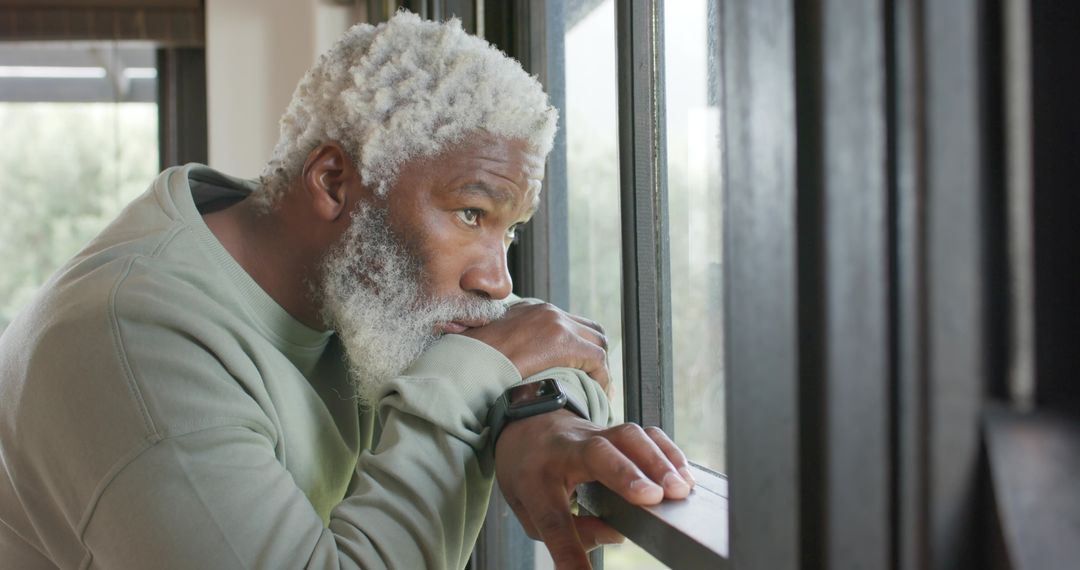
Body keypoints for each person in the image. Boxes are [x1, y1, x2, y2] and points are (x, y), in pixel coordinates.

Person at [0, 12, 693, 570]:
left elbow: (546, 344)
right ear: (334, 182)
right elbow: (494, 355)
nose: (497, 279)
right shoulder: (131, 342)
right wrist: (472, 382)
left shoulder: (357, 287)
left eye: (507, 231)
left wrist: (538, 415)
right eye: (471, 214)